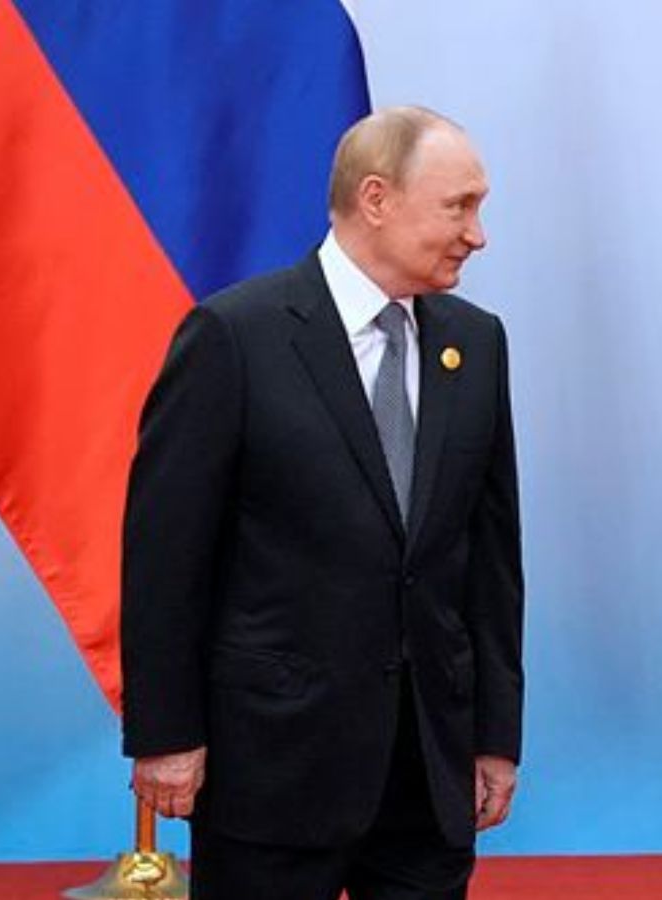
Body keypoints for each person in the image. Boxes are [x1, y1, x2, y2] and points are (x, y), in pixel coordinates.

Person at [121, 106, 524, 900]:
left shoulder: (476, 345)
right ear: (376, 199)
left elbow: (492, 559)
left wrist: (494, 739)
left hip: (428, 774)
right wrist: (167, 736)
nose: (477, 234)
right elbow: (167, 557)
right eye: (459, 206)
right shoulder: (233, 338)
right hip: (273, 768)